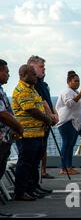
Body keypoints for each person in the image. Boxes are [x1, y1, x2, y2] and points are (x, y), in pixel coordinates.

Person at [12, 65, 54, 201]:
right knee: (25, 164)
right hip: (27, 135)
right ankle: (20, 191)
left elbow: (39, 105)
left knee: (34, 163)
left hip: (37, 133)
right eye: (33, 75)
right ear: (24, 75)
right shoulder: (23, 90)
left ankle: (32, 188)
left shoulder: (32, 90)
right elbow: (32, 110)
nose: (36, 77)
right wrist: (47, 118)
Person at [27, 55, 58, 179]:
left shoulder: (43, 85)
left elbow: (48, 101)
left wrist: (54, 115)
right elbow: (42, 102)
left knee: (42, 147)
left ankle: (41, 173)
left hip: (46, 121)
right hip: (36, 124)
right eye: (41, 67)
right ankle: (34, 180)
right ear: (32, 67)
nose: (43, 69)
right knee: (34, 154)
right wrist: (51, 116)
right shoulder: (33, 86)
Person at [0, 60, 24, 216]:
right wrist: (18, 126)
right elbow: (2, 113)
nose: (8, 74)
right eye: (6, 71)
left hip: (5, 138)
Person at [55, 71, 81, 176]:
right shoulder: (67, 92)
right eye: (75, 81)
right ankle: (64, 168)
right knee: (67, 144)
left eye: (79, 81)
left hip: (74, 122)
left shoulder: (75, 92)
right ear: (69, 82)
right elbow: (69, 104)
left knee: (70, 145)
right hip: (67, 122)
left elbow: (80, 108)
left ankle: (68, 167)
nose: (78, 83)